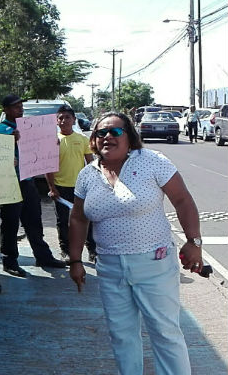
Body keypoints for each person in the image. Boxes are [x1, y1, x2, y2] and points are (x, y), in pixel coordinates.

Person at [68, 112, 202, 375]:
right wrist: (75, 261)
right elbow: (78, 219)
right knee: (121, 335)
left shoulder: (153, 162)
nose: (108, 137)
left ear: (130, 137)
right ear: (93, 140)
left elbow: (183, 200)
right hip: (109, 267)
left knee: (165, 332)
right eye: (101, 133)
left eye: (116, 132)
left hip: (155, 263)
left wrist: (193, 240)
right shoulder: (87, 176)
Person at [0, 95, 67, 275]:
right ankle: (9, 261)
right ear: (5, 110)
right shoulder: (1, 129)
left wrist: (51, 143)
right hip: (10, 182)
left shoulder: (29, 127)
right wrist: (9, 140)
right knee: (10, 223)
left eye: (20, 106)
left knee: (34, 220)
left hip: (28, 181)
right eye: (15, 107)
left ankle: (43, 256)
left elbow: (40, 147)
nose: (20, 109)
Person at [44, 106, 96, 261]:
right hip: (60, 188)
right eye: (60, 118)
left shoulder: (82, 139)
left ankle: (92, 251)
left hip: (80, 188)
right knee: (62, 221)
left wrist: (92, 185)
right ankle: (66, 251)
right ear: (56, 121)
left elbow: (91, 164)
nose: (63, 121)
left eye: (67, 117)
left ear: (74, 120)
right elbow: (48, 168)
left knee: (86, 219)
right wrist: (52, 188)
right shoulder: (52, 141)